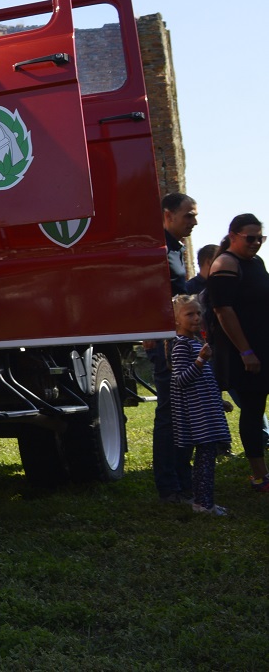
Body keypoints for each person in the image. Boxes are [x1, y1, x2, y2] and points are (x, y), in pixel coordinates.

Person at [208, 213, 269, 492]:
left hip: (264, 345)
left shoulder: (256, 262)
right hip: (246, 353)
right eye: (250, 238)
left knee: (258, 409)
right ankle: (259, 475)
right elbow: (223, 310)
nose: (256, 243)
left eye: (261, 237)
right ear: (233, 235)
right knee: (254, 410)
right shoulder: (225, 264)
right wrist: (246, 352)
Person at [148, 192, 198, 502]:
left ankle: (183, 478)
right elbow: (149, 294)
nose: (194, 221)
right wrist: (153, 333)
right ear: (168, 215)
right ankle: (168, 485)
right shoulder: (158, 250)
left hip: (181, 340)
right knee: (170, 414)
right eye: (188, 215)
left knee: (184, 413)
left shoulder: (176, 249)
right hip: (167, 345)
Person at [170, 294, 231, 514]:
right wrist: (200, 360)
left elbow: (203, 381)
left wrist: (218, 401)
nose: (196, 318)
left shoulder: (194, 343)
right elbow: (180, 380)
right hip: (198, 418)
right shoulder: (181, 347)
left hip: (206, 411)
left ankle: (201, 501)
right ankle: (204, 504)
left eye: (198, 313)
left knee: (207, 459)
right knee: (205, 460)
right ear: (176, 319)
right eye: (190, 314)